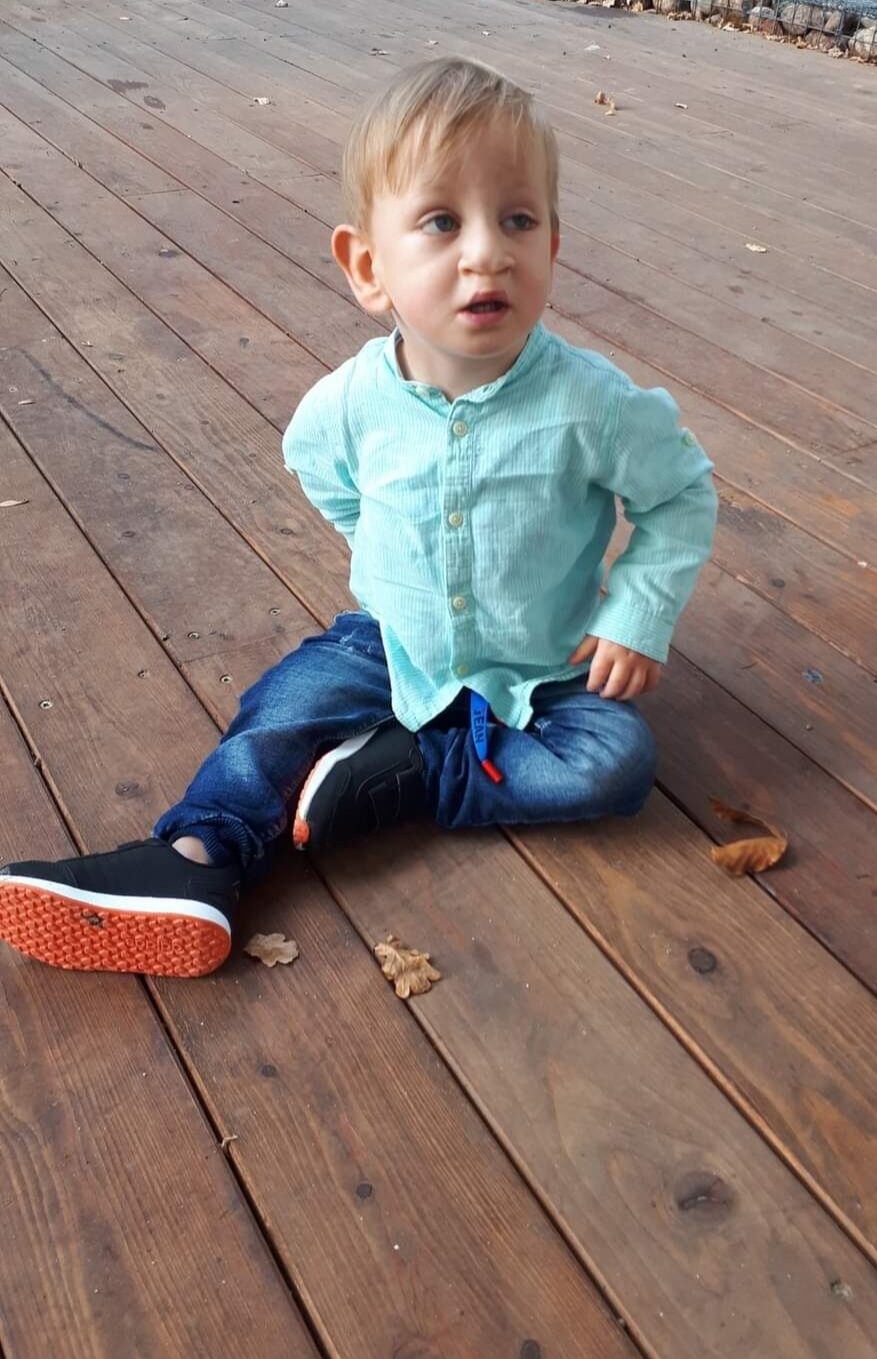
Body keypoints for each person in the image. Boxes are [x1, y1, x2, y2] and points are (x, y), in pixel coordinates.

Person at [0, 57, 717, 979]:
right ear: (369, 268)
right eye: (442, 222)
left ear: (552, 246)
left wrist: (636, 613)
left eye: (518, 220)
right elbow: (320, 471)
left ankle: (416, 772)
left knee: (617, 762)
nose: (488, 252)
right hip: (391, 643)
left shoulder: (594, 405)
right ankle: (196, 859)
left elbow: (681, 493)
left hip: (544, 667)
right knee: (281, 712)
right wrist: (376, 545)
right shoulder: (348, 404)